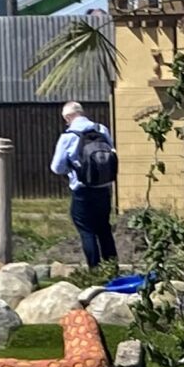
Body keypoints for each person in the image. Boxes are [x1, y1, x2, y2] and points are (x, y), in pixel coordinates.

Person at [49, 101, 118, 267]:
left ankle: (94, 271)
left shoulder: (68, 136)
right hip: (104, 187)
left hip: (82, 189)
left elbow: (57, 167)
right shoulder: (101, 129)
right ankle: (112, 268)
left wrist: (72, 170)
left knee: (87, 230)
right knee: (104, 228)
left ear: (67, 117)